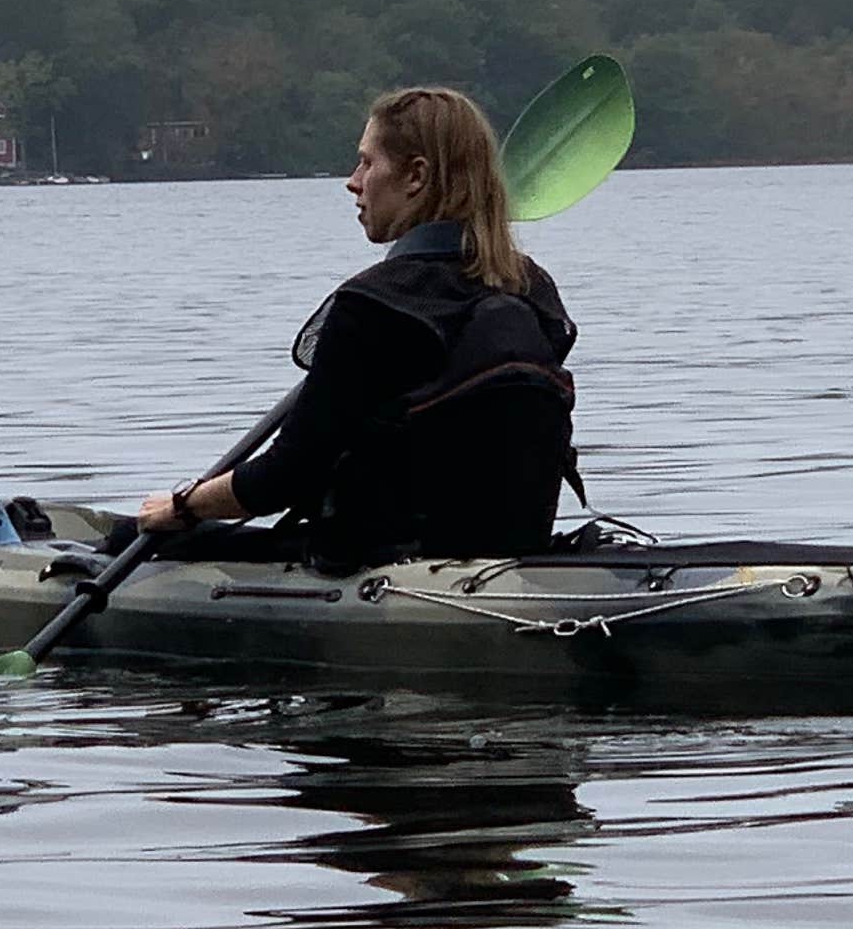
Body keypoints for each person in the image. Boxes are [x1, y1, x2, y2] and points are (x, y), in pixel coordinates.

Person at [138, 84, 579, 567]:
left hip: (383, 562)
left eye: (367, 163)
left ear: (416, 176)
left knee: (130, 543)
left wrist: (184, 504)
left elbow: (285, 476)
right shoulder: (531, 289)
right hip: (513, 550)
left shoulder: (373, 305)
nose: (353, 181)